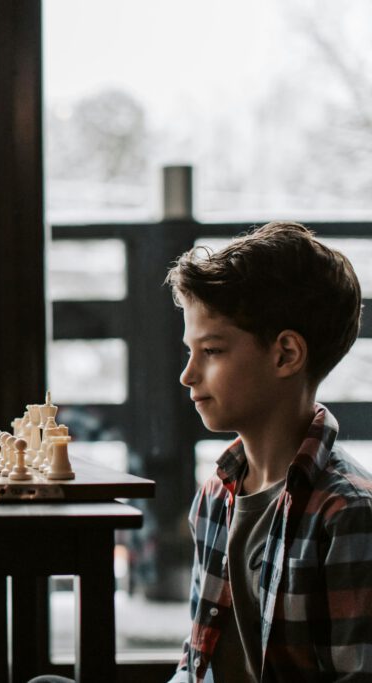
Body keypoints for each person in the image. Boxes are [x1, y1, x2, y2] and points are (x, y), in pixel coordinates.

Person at [165, 221, 368, 681]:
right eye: (189, 352)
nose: (188, 375)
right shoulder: (215, 496)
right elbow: (195, 664)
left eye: (211, 351)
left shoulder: (348, 513)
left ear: (285, 355)